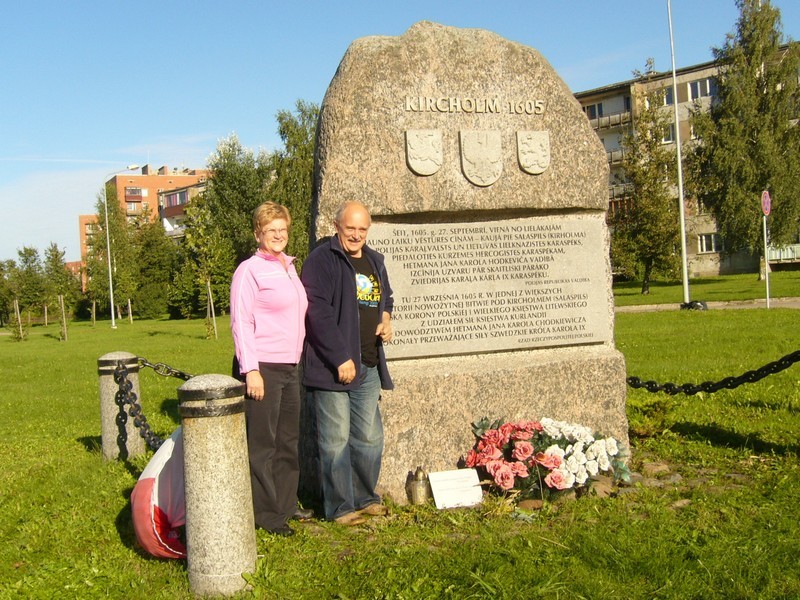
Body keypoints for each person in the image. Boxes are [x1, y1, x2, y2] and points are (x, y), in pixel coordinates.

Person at [301, 201, 394, 526]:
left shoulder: (374, 260)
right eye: (350, 228)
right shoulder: (321, 261)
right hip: (331, 368)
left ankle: (365, 497)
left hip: (368, 363)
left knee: (369, 437)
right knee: (335, 440)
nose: (356, 235)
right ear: (336, 225)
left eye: (362, 229)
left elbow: (387, 299)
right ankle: (340, 508)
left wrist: (385, 318)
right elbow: (317, 313)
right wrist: (340, 356)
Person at [230, 202, 311, 536]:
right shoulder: (249, 270)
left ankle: (286, 504)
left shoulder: (288, 266)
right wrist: (251, 370)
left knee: (288, 441)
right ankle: (265, 514)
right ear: (258, 233)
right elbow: (241, 322)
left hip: (291, 365)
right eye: (270, 230)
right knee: (263, 444)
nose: (278, 236)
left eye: (282, 230)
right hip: (263, 367)